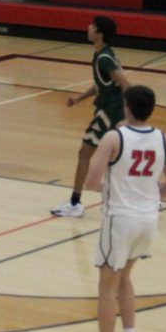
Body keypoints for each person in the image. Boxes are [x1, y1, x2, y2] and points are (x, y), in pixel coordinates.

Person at [82, 85, 166, 332]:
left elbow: (91, 180)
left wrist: (109, 189)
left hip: (120, 219)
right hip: (148, 220)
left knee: (106, 287)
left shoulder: (114, 137)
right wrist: (148, 196)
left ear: (126, 108)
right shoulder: (164, 139)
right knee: (125, 278)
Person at [51, 17, 131, 218]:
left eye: (92, 26)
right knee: (116, 158)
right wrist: (79, 99)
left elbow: (125, 85)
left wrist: (128, 116)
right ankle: (138, 197)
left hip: (109, 113)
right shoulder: (103, 55)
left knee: (85, 152)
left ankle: (75, 203)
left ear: (100, 33)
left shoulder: (104, 58)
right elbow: (102, 85)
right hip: (110, 111)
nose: (88, 27)